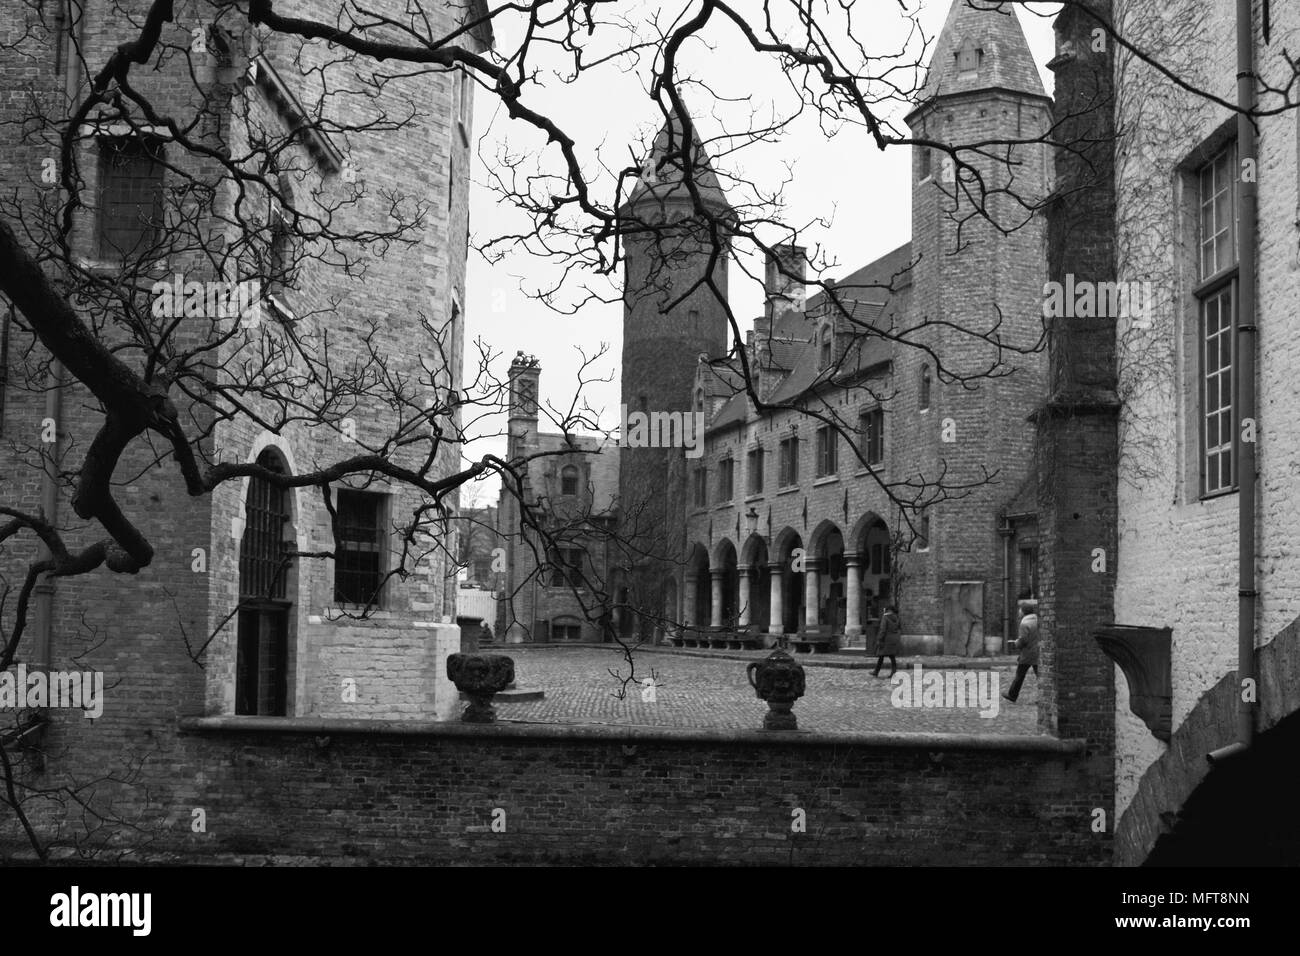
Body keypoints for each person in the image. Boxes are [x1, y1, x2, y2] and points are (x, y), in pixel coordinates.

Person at [1003, 601, 1039, 702]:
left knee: (1019, 675)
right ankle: (1044, 697)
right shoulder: (1038, 620)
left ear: (1023, 611)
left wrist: (1016, 643)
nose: (1019, 611)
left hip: (1028, 654)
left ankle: (1012, 695)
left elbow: (1023, 640)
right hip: (1038, 652)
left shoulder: (1024, 623)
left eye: (1020, 609)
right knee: (1041, 676)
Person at [872, 604, 901, 678]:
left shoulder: (885, 617)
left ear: (888, 610)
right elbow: (899, 628)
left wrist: (879, 639)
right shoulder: (897, 618)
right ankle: (893, 672)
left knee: (881, 655)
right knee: (891, 656)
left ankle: (876, 671)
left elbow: (883, 630)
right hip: (894, 639)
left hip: (886, 640)